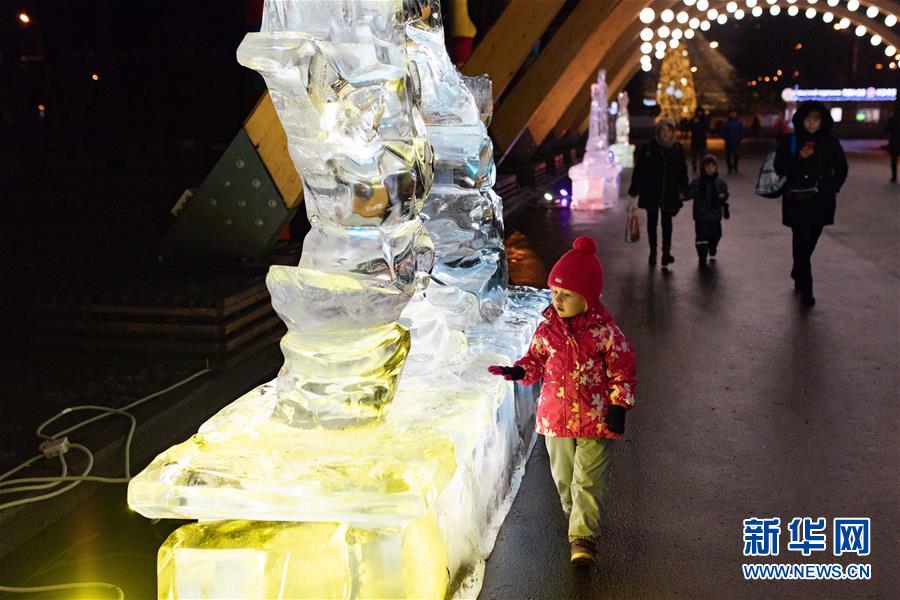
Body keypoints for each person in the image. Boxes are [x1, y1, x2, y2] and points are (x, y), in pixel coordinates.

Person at [487, 236, 636, 567]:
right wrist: (518, 370)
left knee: (588, 479)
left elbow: (622, 372)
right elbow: (535, 361)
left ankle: (582, 537)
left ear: (587, 297)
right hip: (555, 419)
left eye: (566, 295)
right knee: (565, 478)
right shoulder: (547, 331)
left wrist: (618, 405)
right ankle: (575, 513)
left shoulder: (606, 334)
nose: (557, 300)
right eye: (554, 292)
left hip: (596, 420)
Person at [773, 100, 848, 307]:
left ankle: (798, 269)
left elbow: (841, 168)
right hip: (796, 200)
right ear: (801, 120)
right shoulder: (791, 140)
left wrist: (831, 187)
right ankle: (807, 289)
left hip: (821, 201)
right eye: (808, 119)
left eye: (816, 119)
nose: (812, 124)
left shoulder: (830, 142)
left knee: (809, 241)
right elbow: (779, 166)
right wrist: (798, 157)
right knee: (800, 241)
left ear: (822, 121)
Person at [628, 118, 689, 267]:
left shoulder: (677, 148)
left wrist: (683, 189)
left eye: (669, 131)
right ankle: (653, 251)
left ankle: (666, 252)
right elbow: (639, 170)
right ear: (658, 132)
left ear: (672, 132)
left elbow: (682, 170)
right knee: (652, 222)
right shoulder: (648, 147)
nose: (666, 134)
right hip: (652, 191)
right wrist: (634, 189)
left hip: (669, 192)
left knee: (667, 222)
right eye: (663, 130)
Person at [685, 155, 730, 266]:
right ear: (703, 168)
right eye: (707, 166)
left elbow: (725, 193)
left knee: (716, 234)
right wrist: (681, 196)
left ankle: (712, 247)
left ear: (716, 168)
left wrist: (723, 196)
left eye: (712, 166)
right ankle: (702, 256)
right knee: (701, 237)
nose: (710, 169)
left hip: (715, 214)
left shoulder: (720, 182)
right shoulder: (697, 182)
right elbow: (689, 194)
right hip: (701, 215)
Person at [689, 107, 709, 173]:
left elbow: (706, 127)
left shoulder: (705, 120)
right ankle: (694, 167)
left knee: (702, 155)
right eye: (698, 111)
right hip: (694, 139)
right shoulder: (693, 119)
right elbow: (690, 126)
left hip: (702, 139)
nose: (699, 113)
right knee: (694, 155)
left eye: (700, 111)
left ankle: (701, 167)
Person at [885, 99, 900, 183]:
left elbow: (886, 130)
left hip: (894, 142)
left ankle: (894, 177)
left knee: (894, 161)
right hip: (895, 142)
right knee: (893, 161)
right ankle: (894, 177)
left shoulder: (892, 119)